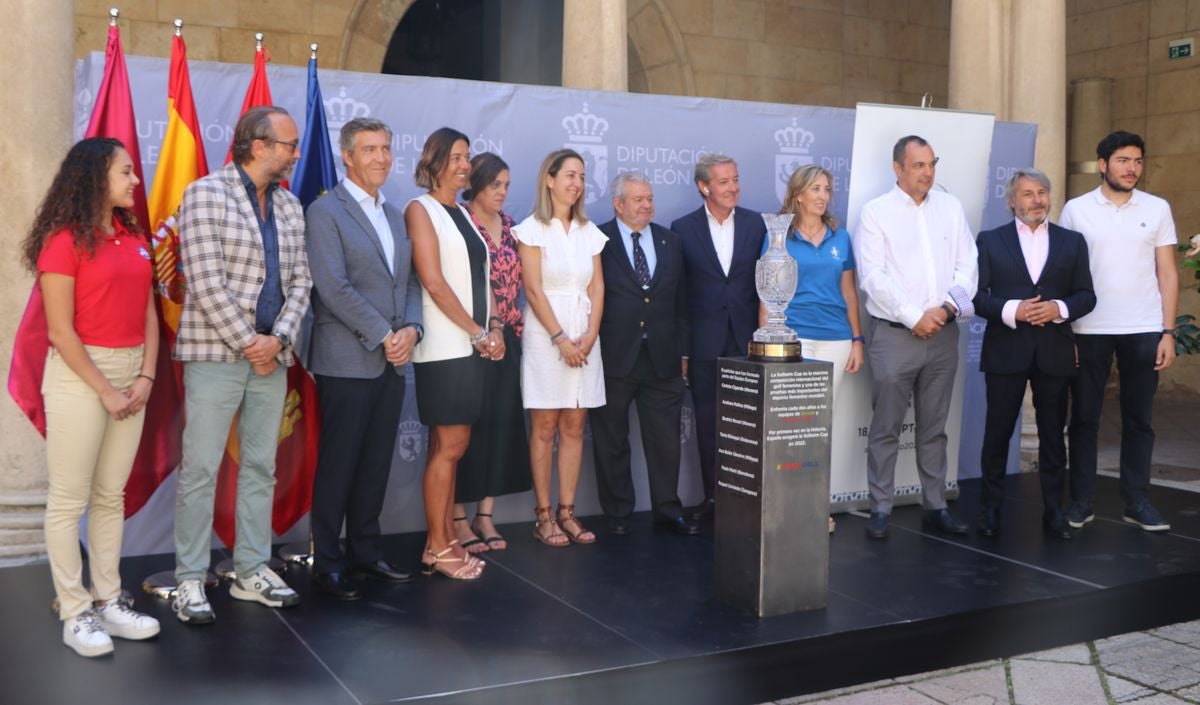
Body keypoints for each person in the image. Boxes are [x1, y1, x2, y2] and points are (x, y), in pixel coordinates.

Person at [22, 137, 161, 657]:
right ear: (95, 176)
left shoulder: (132, 236)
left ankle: (108, 601)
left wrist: (145, 376)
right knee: (69, 501)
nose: (135, 180)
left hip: (131, 371)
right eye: (126, 172)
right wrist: (105, 390)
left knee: (110, 496)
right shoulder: (63, 241)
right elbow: (59, 332)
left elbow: (147, 311)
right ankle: (76, 612)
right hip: (82, 375)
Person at [172, 106, 312, 623]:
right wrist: (250, 342)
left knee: (260, 467)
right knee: (201, 470)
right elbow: (206, 283)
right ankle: (190, 579)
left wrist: (276, 341)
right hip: (216, 356)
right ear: (259, 146)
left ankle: (251, 569)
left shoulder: (292, 207)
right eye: (288, 145)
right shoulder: (205, 194)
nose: (296, 153)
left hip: (273, 357)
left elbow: (302, 282)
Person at [304, 117, 422, 600]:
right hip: (347, 359)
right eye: (369, 149)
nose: (380, 157)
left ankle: (366, 553)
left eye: (386, 148)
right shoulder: (325, 211)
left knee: (375, 464)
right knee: (340, 464)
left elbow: (410, 283)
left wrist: (412, 329)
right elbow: (332, 286)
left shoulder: (395, 215)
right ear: (348, 157)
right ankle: (328, 561)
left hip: (394, 359)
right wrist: (383, 333)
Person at [855, 135, 978, 540]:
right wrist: (913, 317)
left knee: (934, 427)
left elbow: (968, 266)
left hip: (943, 333)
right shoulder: (876, 213)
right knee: (886, 426)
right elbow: (874, 277)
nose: (927, 172)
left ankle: (935, 505)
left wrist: (943, 310)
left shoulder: (951, 206)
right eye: (918, 165)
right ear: (898, 168)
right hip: (895, 336)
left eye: (931, 164)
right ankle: (880, 508)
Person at [1060, 130, 1179, 532]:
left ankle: (1137, 501)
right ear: (1103, 164)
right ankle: (1081, 501)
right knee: (1085, 419)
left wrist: (1168, 331)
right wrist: (1067, 332)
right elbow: (1064, 273)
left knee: (1139, 420)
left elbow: (1167, 272)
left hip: (1144, 328)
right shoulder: (1076, 210)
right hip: (1088, 328)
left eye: (1138, 161)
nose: (1132, 168)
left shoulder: (1158, 208)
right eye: (1124, 160)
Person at [973, 168, 1096, 540]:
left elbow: (1087, 295)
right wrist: (1014, 310)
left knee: (1052, 436)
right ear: (1012, 200)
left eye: (1042, 192)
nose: (1037, 200)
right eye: (1028, 194)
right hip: (1006, 350)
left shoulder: (1072, 242)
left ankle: (1054, 512)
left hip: (1054, 352)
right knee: (997, 434)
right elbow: (976, 297)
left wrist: (1058, 307)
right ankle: (991, 511)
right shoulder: (990, 241)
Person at [406, 127, 503, 579]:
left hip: (471, 346)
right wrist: (476, 332)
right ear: (437, 160)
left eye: (468, 157)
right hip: (445, 349)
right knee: (448, 447)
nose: (466, 165)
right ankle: (442, 548)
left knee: (455, 446)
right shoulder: (420, 210)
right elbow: (433, 281)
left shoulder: (463, 213)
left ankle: (436, 542)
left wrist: (495, 326)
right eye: (458, 157)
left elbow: (482, 279)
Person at [591, 172, 697, 536]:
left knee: (666, 440)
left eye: (650, 198)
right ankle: (618, 513)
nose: (647, 205)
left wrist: (684, 350)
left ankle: (668, 509)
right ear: (618, 204)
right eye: (638, 199)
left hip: (664, 357)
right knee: (611, 439)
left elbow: (682, 302)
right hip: (614, 356)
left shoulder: (671, 240)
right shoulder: (598, 239)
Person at [762, 164, 864, 533]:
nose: (822, 196)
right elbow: (767, 293)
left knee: (821, 427)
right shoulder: (779, 236)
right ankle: (783, 507)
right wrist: (768, 342)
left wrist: (857, 340)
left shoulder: (841, 237)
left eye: (827, 189)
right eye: (816, 189)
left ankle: (816, 506)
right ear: (799, 194)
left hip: (836, 338)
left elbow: (849, 293)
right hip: (793, 339)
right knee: (788, 426)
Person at [515, 149, 607, 547]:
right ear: (549, 179)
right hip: (546, 336)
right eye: (569, 175)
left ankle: (568, 513)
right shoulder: (531, 228)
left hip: (585, 336)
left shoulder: (590, 231)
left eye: (582, 177)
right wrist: (560, 338)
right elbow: (533, 290)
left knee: (574, 425)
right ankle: (544, 515)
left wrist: (588, 335)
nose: (576, 183)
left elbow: (597, 286)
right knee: (545, 427)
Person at [670, 154, 765, 521]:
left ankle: (747, 499)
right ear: (704, 187)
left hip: (748, 342)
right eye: (724, 182)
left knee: (748, 425)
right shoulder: (682, 228)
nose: (733, 188)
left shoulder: (757, 224)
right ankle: (713, 499)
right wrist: (683, 350)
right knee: (709, 426)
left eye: (736, 180)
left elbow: (763, 285)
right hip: (703, 344)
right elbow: (679, 295)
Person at [452, 153, 533, 555]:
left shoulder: (515, 228)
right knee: (463, 432)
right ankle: (457, 519)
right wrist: (484, 330)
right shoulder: (460, 223)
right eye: (494, 185)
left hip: (510, 339)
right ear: (476, 185)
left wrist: (507, 333)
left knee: (500, 427)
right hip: (468, 340)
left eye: (506, 185)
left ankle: (486, 515)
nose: (501, 192)